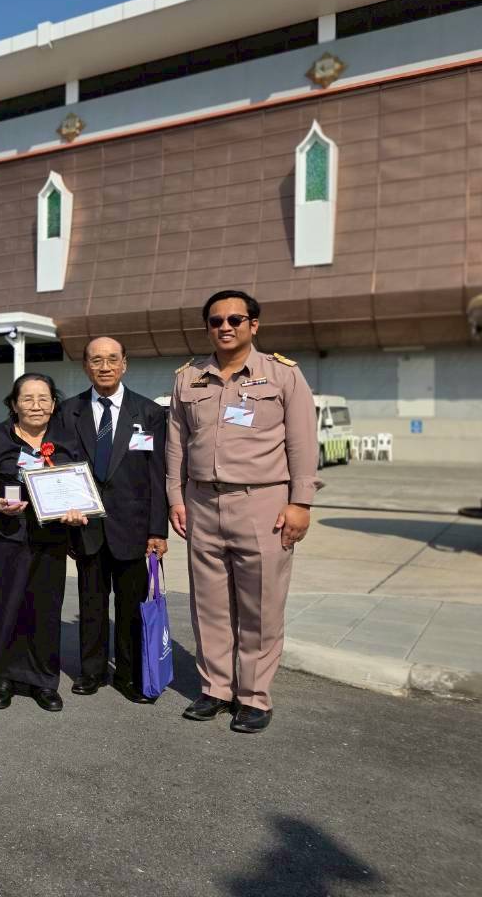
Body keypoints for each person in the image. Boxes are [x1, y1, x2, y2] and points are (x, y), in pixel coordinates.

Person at [167, 290, 319, 734]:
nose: (225, 327)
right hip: (202, 502)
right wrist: (175, 497)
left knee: (261, 606)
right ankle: (216, 688)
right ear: (208, 328)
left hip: (263, 503)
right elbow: (176, 443)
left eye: (235, 319)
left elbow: (302, 441)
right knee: (209, 605)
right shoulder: (188, 378)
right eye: (216, 321)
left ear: (254, 325)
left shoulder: (283, 374)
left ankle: (253, 696)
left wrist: (301, 502)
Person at [0, 373, 85, 712]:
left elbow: (80, 486)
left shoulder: (67, 439)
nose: (36, 406)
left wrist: (77, 512)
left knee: (44, 609)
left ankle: (42, 680)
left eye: (43, 399)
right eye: (27, 399)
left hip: (49, 540)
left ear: (54, 404)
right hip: (2, 537)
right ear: (14, 404)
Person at [51, 337, 168, 704]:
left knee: (131, 605)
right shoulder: (68, 412)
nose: (105, 367)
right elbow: (59, 465)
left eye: (112, 359)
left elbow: (158, 474)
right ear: (86, 366)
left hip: (133, 526)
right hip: (85, 525)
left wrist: (157, 529)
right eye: (96, 360)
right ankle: (92, 670)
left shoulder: (148, 412)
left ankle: (129, 675)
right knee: (91, 602)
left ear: (124, 364)